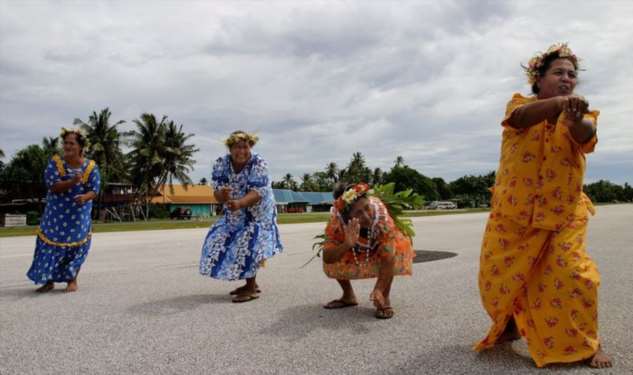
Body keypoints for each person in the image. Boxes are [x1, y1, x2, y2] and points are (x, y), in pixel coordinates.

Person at [474, 43, 612, 368]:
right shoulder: (519, 105)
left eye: (571, 75)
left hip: (563, 214)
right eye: (559, 72)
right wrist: (558, 104)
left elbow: (585, 135)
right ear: (539, 78)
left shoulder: (582, 114)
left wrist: (573, 117)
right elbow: (520, 119)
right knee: (495, 279)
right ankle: (508, 326)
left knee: (576, 275)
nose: (567, 79)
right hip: (513, 215)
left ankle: (590, 344)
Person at [199, 131, 282, 302]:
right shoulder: (221, 164)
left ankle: (251, 288)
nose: (242, 151)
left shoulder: (258, 163)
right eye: (237, 147)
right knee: (216, 239)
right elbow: (217, 193)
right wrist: (222, 195)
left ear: (250, 147)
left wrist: (240, 203)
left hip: (259, 212)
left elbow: (257, 192)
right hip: (234, 211)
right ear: (230, 148)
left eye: (245, 147)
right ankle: (250, 284)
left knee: (248, 243)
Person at [319, 183, 415, 319]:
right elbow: (327, 258)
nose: (366, 216)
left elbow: (388, 257)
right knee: (336, 253)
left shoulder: (381, 217)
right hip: (354, 244)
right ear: (347, 217)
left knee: (391, 252)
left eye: (366, 208)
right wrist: (346, 244)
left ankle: (384, 298)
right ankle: (348, 296)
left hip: (379, 244)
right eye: (358, 213)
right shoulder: (337, 223)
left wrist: (379, 289)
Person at [27, 128, 100, 293]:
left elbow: (94, 190)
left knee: (75, 248)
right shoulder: (56, 163)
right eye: (65, 143)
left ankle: (72, 280)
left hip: (78, 215)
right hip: (55, 215)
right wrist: (73, 182)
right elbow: (52, 186)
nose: (67, 146)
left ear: (80, 147)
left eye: (71, 143)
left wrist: (85, 197)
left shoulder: (91, 167)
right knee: (49, 245)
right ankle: (48, 281)